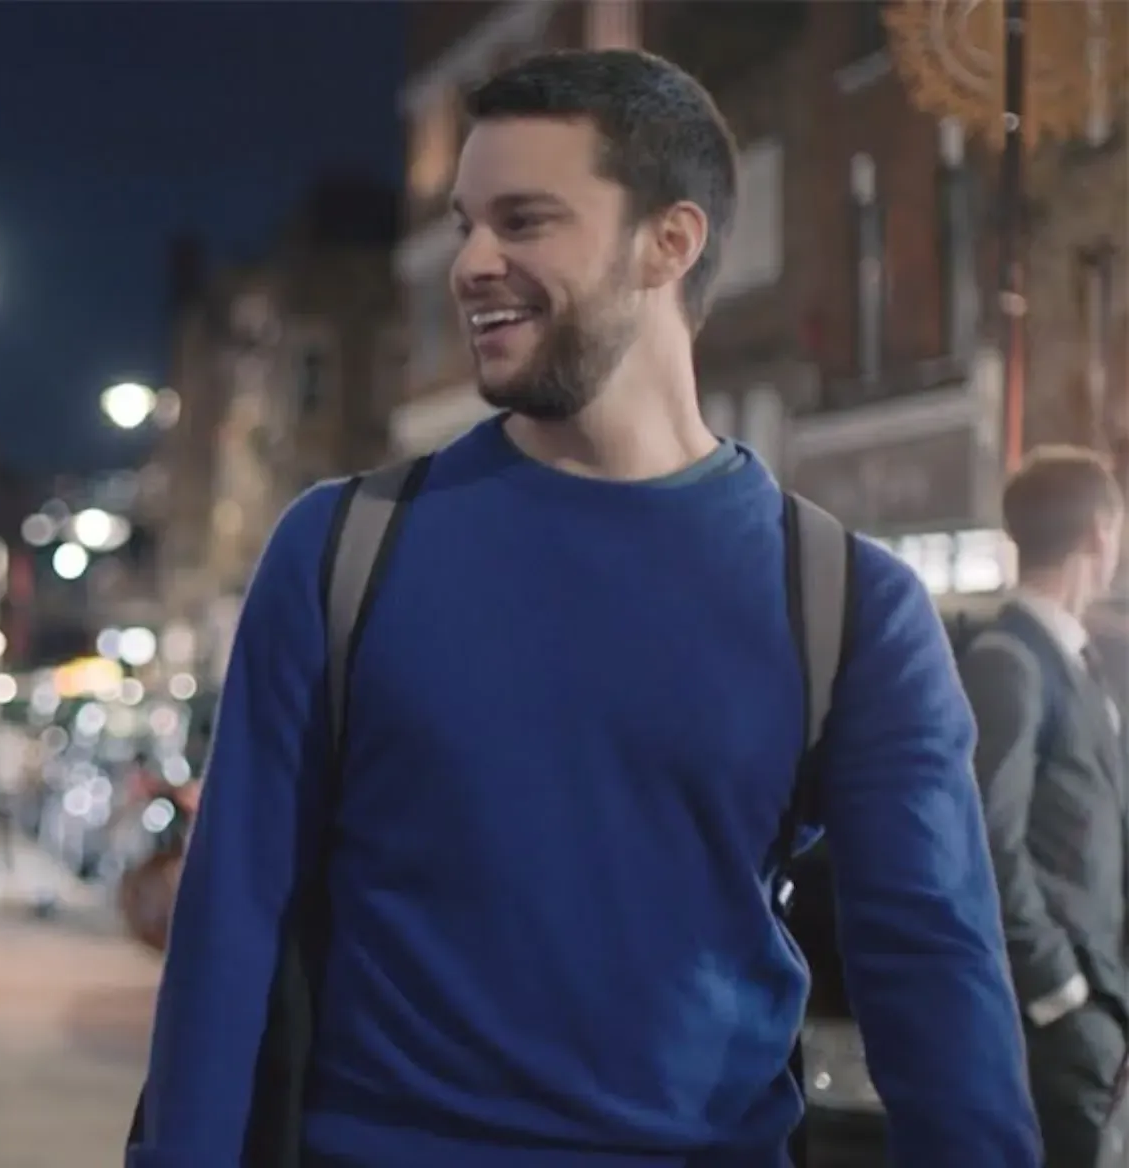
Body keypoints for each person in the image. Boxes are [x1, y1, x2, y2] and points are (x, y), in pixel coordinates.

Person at [131, 48, 1038, 1168]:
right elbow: (226, 941)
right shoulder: (340, 551)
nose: (471, 263)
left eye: (523, 221)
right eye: (465, 222)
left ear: (670, 240)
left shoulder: (847, 604)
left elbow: (939, 989)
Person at [960, 446, 1129, 1165]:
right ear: (1099, 530)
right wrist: (1060, 991)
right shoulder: (1011, 662)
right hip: (1063, 1016)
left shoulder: (1076, 660)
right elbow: (988, 843)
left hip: (1099, 1006)